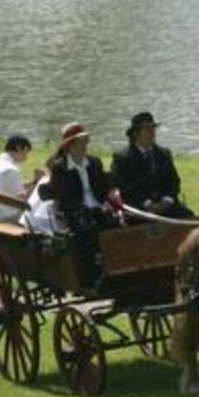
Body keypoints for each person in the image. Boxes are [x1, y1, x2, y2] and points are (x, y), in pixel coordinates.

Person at [46, 121, 120, 290]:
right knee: (87, 231)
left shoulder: (94, 163)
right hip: (73, 212)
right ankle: (90, 278)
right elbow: (63, 197)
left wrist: (111, 198)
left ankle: (114, 271)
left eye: (86, 142)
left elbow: (102, 188)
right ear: (70, 146)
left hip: (97, 209)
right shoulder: (60, 168)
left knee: (116, 227)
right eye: (81, 143)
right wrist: (83, 209)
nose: (85, 146)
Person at [111, 110, 192, 218]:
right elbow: (126, 187)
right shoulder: (123, 158)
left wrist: (167, 200)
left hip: (166, 205)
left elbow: (173, 180)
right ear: (136, 133)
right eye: (147, 129)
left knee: (187, 217)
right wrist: (148, 204)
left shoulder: (164, 154)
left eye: (153, 129)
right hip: (139, 208)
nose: (152, 133)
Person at [0, 135, 36, 223]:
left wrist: (32, 182)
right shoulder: (11, 170)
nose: (26, 157)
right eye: (25, 152)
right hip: (5, 215)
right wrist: (36, 185)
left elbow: (5, 186)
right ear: (18, 148)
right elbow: (22, 198)